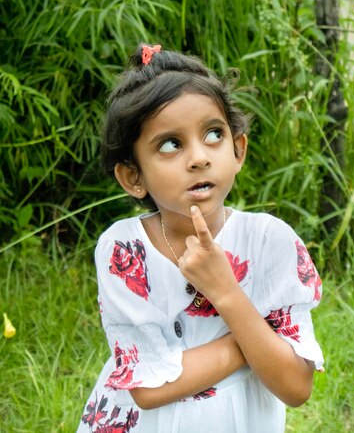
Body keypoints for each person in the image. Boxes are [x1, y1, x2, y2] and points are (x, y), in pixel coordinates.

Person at [76, 43, 323, 433]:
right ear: (132, 177)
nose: (198, 157)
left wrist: (225, 290)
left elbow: (295, 386)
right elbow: (147, 388)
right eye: (171, 144)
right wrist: (253, 340)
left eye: (213, 134)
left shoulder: (269, 241)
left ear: (237, 149)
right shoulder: (124, 250)